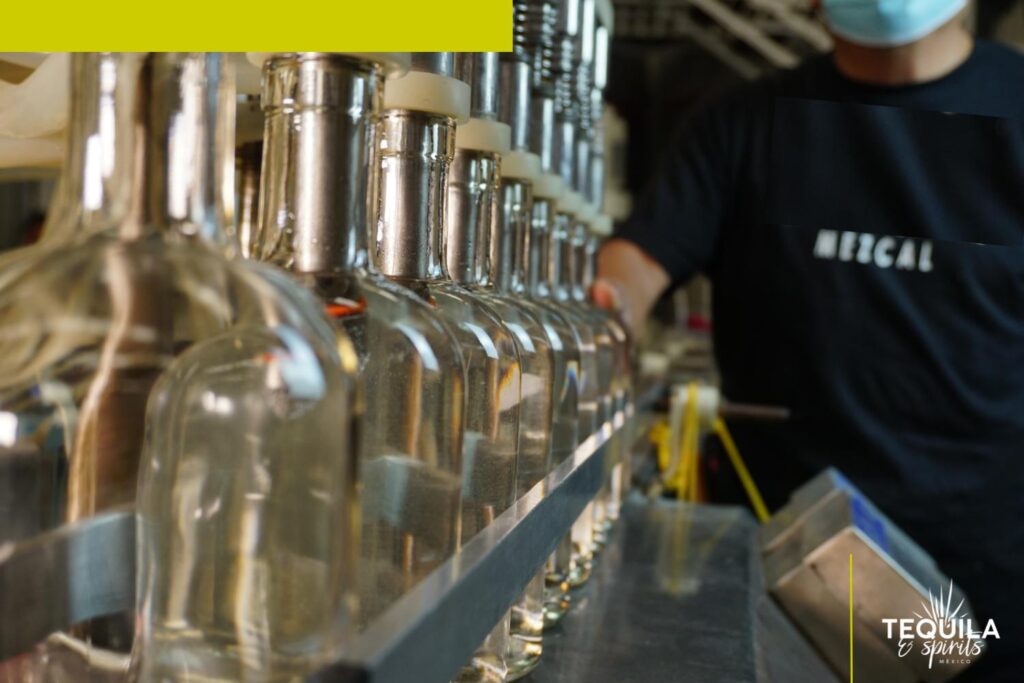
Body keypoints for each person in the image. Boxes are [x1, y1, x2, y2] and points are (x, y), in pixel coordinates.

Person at [595, 1, 1024, 680]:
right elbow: (637, 265)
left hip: (980, 592)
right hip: (782, 586)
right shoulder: (747, 122)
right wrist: (603, 312)